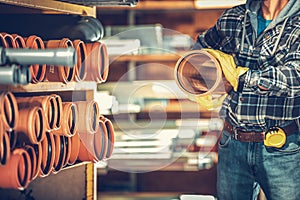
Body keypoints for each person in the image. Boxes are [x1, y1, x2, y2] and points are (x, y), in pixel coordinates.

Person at [190, 0, 300, 199]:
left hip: (281, 148)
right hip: (233, 143)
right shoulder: (234, 17)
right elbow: (199, 51)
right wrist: (206, 71)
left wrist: (239, 78)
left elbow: (294, 78)